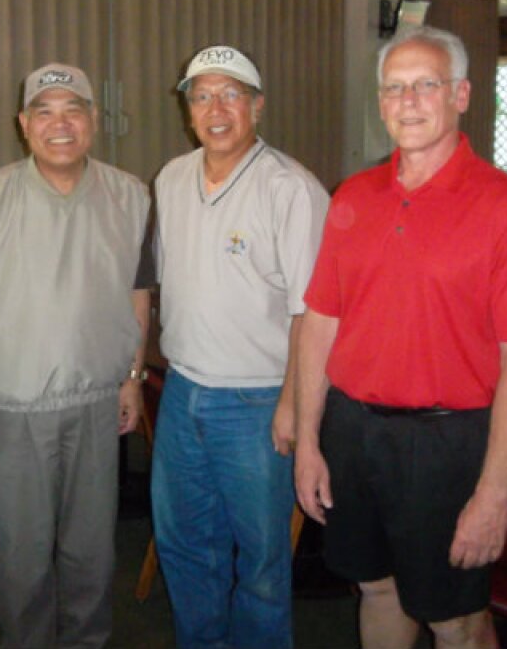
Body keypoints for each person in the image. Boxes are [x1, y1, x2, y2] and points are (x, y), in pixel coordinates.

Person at [294, 26, 507, 649]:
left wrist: (494, 496)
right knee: (376, 588)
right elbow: (320, 327)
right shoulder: (354, 197)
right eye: (394, 87)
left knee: (455, 618)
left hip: (449, 445)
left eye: (426, 85)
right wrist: (310, 441)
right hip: (354, 432)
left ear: (462, 95)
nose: (408, 101)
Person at [0, 63, 151, 649]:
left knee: (91, 550)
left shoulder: (130, 195)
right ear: (23, 124)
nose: (60, 124)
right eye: (45, 111)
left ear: (94, 119)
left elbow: (138, 294)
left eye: (74, 109)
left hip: (96, 401)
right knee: (21, 551)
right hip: (17, 404)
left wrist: (133, 379)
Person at [151, 45, 330, 648]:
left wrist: (292, 408)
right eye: (201, 96)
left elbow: (313, 314)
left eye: (230, 94)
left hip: (256, 404)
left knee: (259, 563)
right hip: (181, 395)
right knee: (184, 547)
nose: (215, 108)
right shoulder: (171, 179)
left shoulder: (291, 188)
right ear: (188, 110)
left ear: (257, 105)